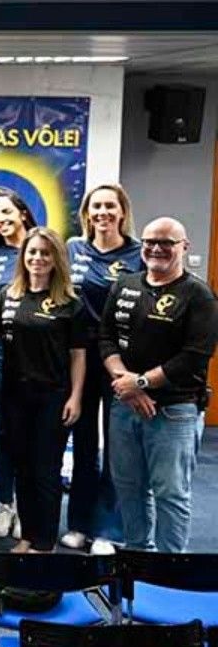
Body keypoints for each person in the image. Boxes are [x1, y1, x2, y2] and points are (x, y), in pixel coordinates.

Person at [100, 217, 218, 553]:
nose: (156, 248)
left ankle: (170, 570)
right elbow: (106, 338)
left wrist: (140, 383)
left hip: (174, 410)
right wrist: (126, 382)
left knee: (170, 492)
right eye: (150, 240)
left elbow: (194, 356)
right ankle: (139, 558)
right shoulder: (124, 285)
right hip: (124, 404)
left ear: (184, 246)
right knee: (129, 486)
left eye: (166, 242)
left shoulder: (199, 295)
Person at [0, 228, 86, 553]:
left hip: (53, 396)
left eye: (45, 253)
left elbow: (78, 355)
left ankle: (44, 542)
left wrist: (75, 396)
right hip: (15, 395)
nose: (37, 259)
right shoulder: (8, 295)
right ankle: (28, 534)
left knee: (46, 469)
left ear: (56, 258)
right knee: (22, 467)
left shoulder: (70, 303)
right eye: (32, 252)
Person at [63, 184, 143, 554]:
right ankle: (78, 523)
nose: (103, 213)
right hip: (78, 358)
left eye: (110, 206)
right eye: (97, 206)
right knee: (81, 445)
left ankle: (109, 529)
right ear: (87, 213)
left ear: (122, 212)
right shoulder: (73, 249)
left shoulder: (138, 254)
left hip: (120, 362)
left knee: (117, 446)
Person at [0, 191, 37, 542]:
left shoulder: (42, 245)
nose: (0, 219)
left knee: (33, 429)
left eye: (6, 212)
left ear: (22, 212)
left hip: (37, 349)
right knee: (3, 429)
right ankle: (5, 503)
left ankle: (29, 505)